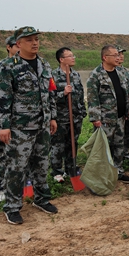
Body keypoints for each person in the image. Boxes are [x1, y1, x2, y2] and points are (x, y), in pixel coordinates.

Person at [0, 26, 58, 225]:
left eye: (36, 39)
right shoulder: (8, 66)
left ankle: (42, 198)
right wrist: (4, 126)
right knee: (16, 167)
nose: (35, 43)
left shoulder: (44, 65)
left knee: (41, 164)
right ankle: (12, 207)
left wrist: (52, 117)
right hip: (19, 127)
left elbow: (49, 93)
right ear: (18, 44)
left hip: (42, 124)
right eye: (29, 40)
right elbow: (2, 98)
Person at [87, 45, 129, 184]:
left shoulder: (120, 73)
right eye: (114, 55)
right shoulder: (96, 75)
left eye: (118, 55)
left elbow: (124, 93)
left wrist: (127, 110)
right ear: (105, 57)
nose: (118, 57)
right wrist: (95, 118)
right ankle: (101, 175)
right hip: (105, 119)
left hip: (120, 117)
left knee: (119, 146)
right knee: (103, 148)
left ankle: (118, 170)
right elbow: (92, 98)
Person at [49, 47, 86, 182]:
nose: (73, 58)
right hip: (61, 117)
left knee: (72, 143)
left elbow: (80, 94)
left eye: (73, 55)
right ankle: (57, 171)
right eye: (70, 56)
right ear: (61, 59)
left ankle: (71, 168)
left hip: (75, 116)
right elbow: (50, 97)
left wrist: (82, 110)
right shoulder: (53, 76)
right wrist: (63, 93)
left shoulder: (75, 75)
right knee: (58, 145)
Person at [0, 35, 19, 202]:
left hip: (27, 119)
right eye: (16, 45)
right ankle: (0, 187)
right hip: (9, 117)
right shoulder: (0, 67)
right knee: (5, 153)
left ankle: (22, 185)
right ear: (9, 47)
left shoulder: (29, 65)